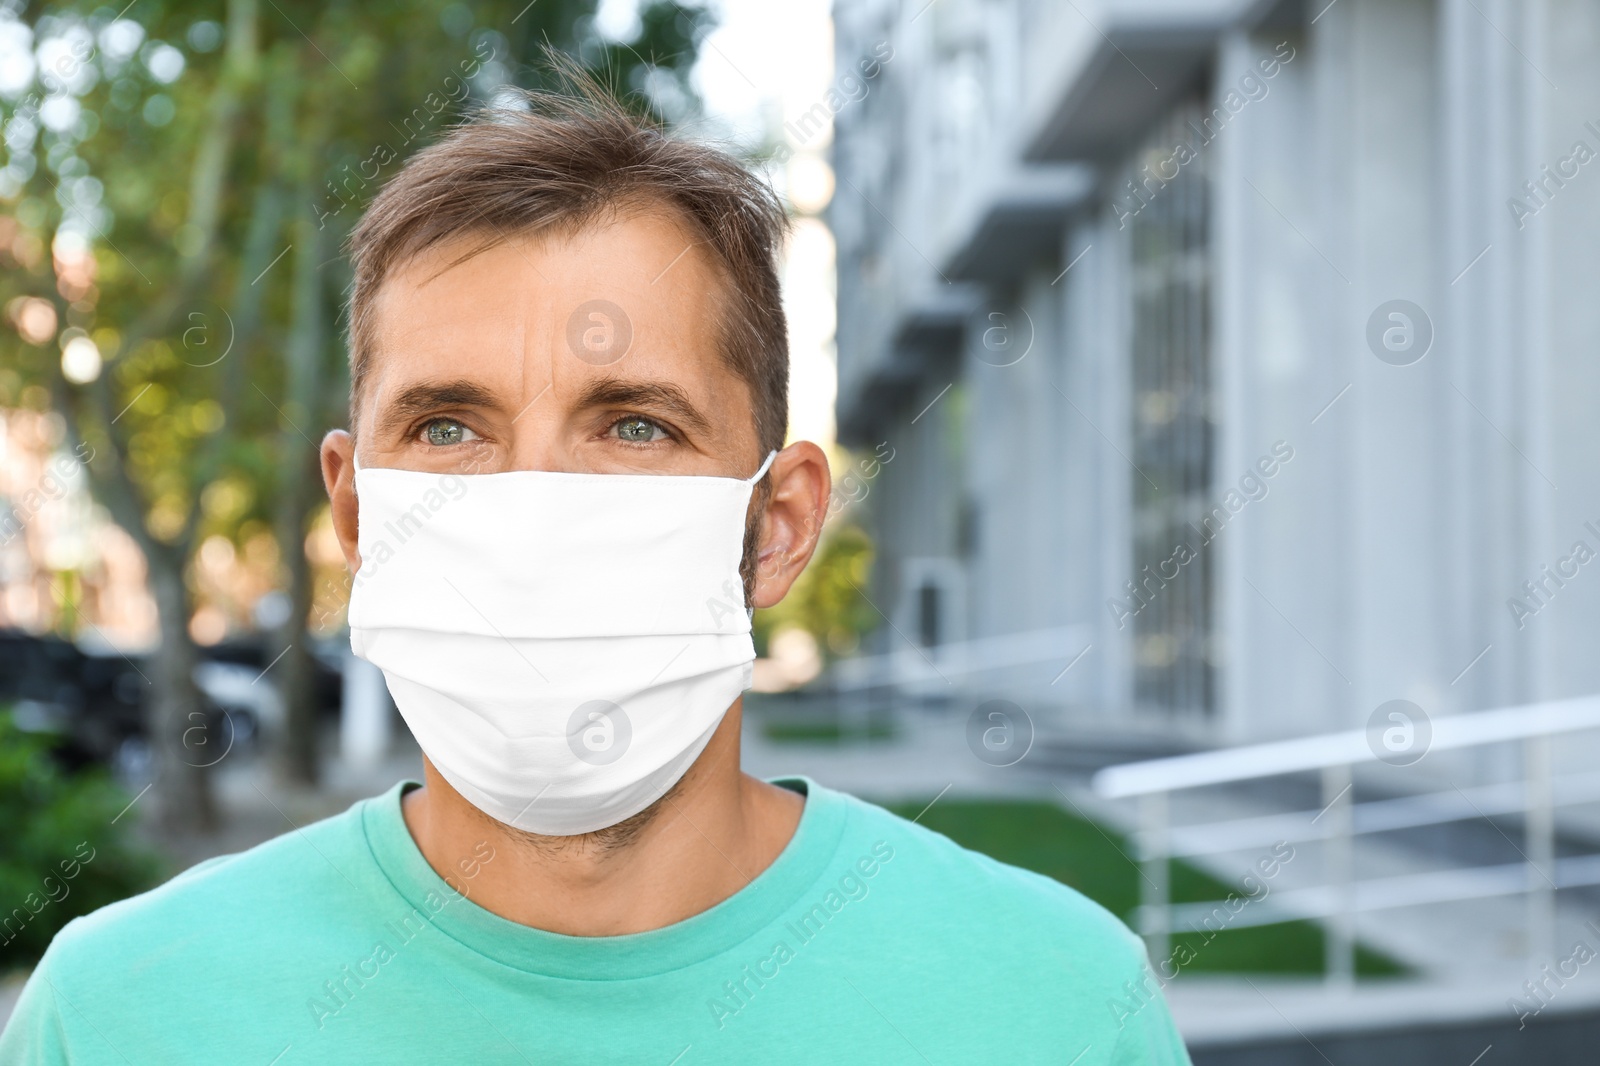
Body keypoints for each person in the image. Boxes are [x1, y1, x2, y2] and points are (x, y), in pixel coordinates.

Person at [0, 75, 1190, 1065]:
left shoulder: (1057, 1010)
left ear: (774, 526)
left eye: (632, 426)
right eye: (450, 428)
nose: (532, 507)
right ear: (356, 513)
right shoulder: (120, 1018)